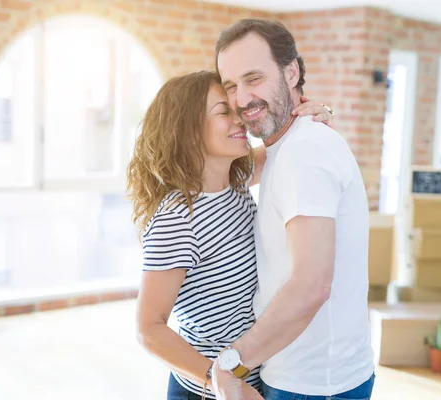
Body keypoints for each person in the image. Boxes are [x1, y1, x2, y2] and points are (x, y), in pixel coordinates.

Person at [126, 70, 335, 400]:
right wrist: (217, 379)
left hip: (253, 376)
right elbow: (148, 329)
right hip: (208, 390)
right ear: (188, 130)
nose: (240, 120)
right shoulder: (176, 219)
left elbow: (289, 150)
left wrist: (318, 116)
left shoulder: (235, 181)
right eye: (224, 111)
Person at [211, 19, 375, 400]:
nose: (241, 99)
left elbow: (311, 286)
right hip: (305, 373)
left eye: (254, 79)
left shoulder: (304, 151)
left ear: (291, 71)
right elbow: (224, 172)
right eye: (231, 86)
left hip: (313, 386)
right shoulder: (285, 147)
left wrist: (232, 364)